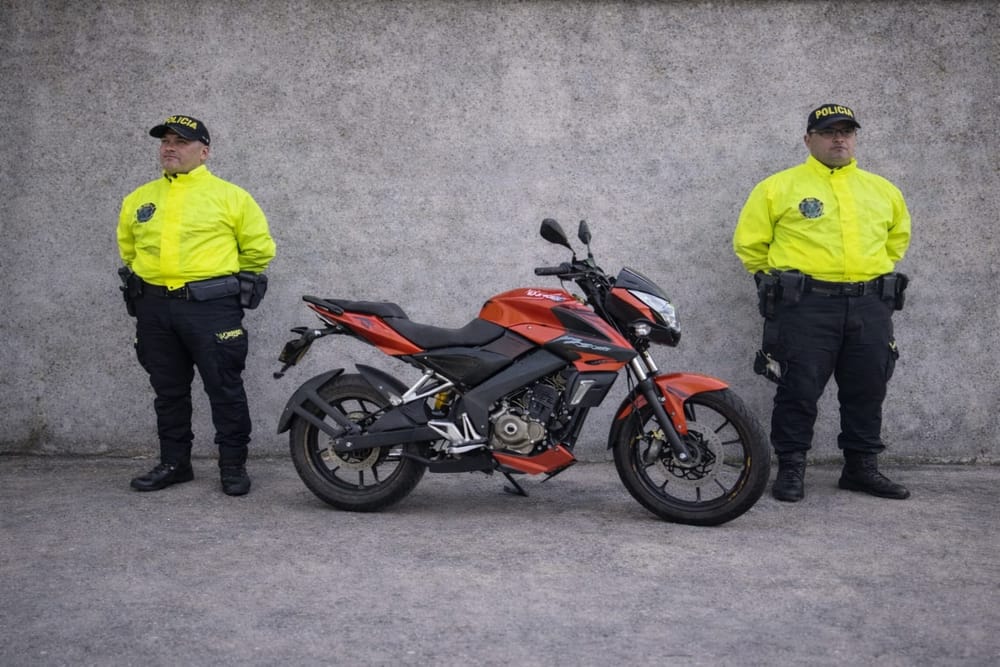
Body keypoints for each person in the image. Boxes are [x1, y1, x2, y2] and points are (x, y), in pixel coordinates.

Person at [733, 103, 911, 502]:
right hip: (806, 306)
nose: (839, 139)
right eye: (829, 132)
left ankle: (861, 468)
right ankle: (792, 467)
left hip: (870, 305)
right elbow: (750, 244)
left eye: (846, 132)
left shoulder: (882, 190)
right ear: (808, 139)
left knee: (868, 386)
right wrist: (780, 282)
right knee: (798, 387)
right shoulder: (778, 188)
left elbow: (896, 240)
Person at [117, 114, 276, 496]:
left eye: (181, 141)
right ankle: (175, 463)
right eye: (165, 141)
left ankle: (233, 466)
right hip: (154, 307)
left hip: (211, 307)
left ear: (203, 152)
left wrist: (231, 290)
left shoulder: (231, 197)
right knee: (168, 391)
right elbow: (129, 247)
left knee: (224, 387)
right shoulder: (141, 198)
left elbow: (258, 250)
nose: (169, 147)